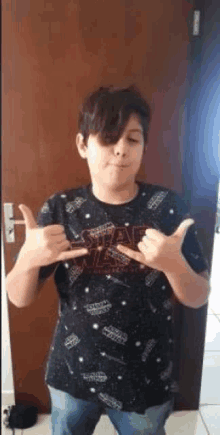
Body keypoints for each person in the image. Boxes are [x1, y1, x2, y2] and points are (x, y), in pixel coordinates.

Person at [6, 84, 210, 435]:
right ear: (83, 144)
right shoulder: (60, 208)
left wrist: (174, 265)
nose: (120, 150)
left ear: (144, 146)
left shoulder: (168, 207)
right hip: (72, 374)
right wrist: (25, 260)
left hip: (144, 377)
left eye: (132, 139)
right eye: (108, 137)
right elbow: (18, 298)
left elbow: (199, 296)